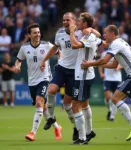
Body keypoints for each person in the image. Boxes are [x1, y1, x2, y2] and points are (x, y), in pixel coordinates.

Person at [81, 24, 131, 141]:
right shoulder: (120, 42)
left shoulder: (116, 44)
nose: (104, 35)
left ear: (112, 34)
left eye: (105, 33)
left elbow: (104, 60)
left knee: (115, 99)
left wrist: (89, 63)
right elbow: (113, 65)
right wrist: (93, 65)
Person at [40, 12, 100, 142]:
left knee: (69, 104)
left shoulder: (81, 32)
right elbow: (55, 48)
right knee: (51, 91)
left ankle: (77, 128)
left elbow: (98, 36)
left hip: (75, 72)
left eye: (68, 20)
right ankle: (51, 117)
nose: (65, 22)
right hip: (62, 68)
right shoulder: (60, 33)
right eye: (64, 20)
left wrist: (90, 29)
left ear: (74, 21)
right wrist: (44, 60)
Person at [15, 23, 62, 141]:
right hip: (32, 81)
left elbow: (59, 52)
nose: (38, 35)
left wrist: (59, 63)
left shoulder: (47, 45)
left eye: (39, 32)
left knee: (39, 102)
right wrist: (17, 66)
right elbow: (19, 60)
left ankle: (32, 132)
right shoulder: (24, 48)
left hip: (45, 78)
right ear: (29, 35)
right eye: (35, 33)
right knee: (43, 107)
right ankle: (57, 127)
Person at [69, 12, 102, 144]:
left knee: (75, 106)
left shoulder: (88, 37)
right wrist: (93, 30)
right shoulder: (92, 35)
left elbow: (74, 45)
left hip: (82, 75)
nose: (77, 22)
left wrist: (72, 32)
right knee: (84, 104)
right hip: (86, 74)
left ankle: (82, 138)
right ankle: (89, 132)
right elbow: (102, 41)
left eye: (79, 21)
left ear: (85, 24)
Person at [98, 50, 122, 121]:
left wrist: (118, 67)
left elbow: (123, 64)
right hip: (107, 78)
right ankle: (110, 109)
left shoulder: (119, 52)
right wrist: (101, 73)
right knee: (108, 97)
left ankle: (112, 116)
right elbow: (100, 64)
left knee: (115, 98)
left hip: (117, 78)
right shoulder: (104, 53)